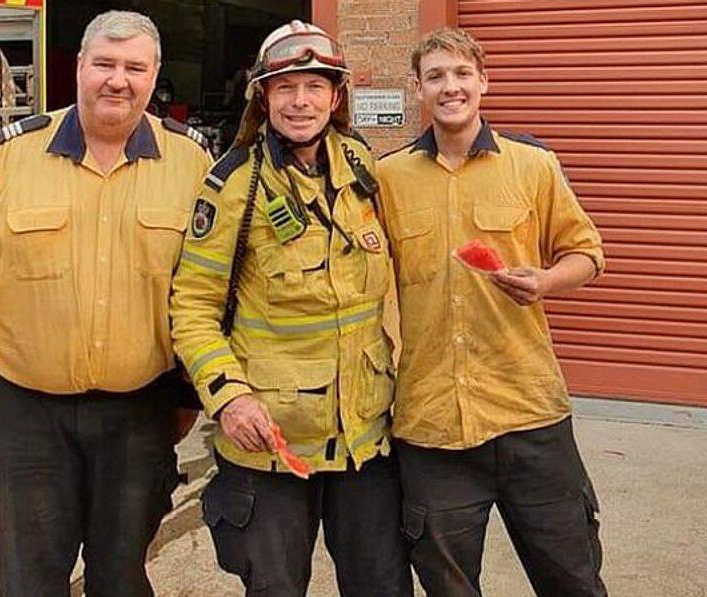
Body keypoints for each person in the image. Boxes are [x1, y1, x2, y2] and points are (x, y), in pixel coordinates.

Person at [0, 10, 212, 596]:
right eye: (105, 64)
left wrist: (191, 390)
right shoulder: (12, 157)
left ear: (154, 74)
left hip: (139, 414)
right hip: (28, 415)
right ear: (80, 68)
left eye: (135, 67)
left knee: (122, 576)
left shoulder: (190, 164)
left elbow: (205, 288)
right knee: (31, 577)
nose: (119, 80)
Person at [170, 19, 413, 597]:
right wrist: (227, 397)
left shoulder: (360, 166)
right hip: (269, 445)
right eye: (284, 88)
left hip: (364, 440)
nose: (300, 101)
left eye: (314, 87)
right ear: (263, 97)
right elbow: (193, 307)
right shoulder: (232, 186)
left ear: (336, 96)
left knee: (383, 586)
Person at [376, 28, 608, 597]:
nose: (450, 87)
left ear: (483, 81)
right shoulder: (387, 179)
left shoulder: (533, 165)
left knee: (573, 579)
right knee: (449, 587)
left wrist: (547, 279)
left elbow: (588, 253)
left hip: (529, 412)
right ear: (418, 90)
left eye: (461, 74)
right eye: (435, 76)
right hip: (431, 425)